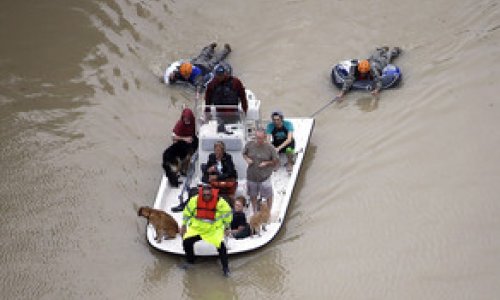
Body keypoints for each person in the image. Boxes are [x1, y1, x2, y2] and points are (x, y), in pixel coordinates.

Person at [180, 184, 233, 277]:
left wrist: (227, 227)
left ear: (212, 193)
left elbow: (227, 215)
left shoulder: (220, 202)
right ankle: (190, 261)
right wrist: (184, 225)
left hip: (213, 229)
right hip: (197, 228)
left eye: (208, 195)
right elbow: (187, 212)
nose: (206, 196)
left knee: (221, 246)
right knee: (186, 242)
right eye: (204, 195)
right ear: (201, 194)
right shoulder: (194, 200)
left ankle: (226, 268)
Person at [337, 46, 402, 99]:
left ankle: (395, 50)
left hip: (380, 63)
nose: (363, 74)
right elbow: (349, 80)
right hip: (371, 60)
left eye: (364, 73)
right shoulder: (354, 68)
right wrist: (342, 93)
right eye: (362, 72)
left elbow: (378, 80)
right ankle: (383, 49)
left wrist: (377, 90)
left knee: (388, 56)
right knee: (376, 54)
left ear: (368, 70)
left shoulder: (373, 69)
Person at [165, 42, 232, 89]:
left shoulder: (197, 78)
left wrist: (199, 88)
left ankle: (226, 50)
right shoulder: (182, 71)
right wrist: (171, 77)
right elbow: (175, 75)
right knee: (204, 55)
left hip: (206, 68)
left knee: (216, 59)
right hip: (198, 63)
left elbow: (200, 86)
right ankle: (211, 47)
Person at [242, 128, 279, 213]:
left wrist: (267, 163)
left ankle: (269, 211)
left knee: (268, 195)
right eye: (256, 137)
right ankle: (254, 210)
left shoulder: (270, 148)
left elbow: (276, 161)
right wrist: (247, 159)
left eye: (260, 138)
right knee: (253, 195)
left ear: (265, 137)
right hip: (251, 176)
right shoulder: (249, 144)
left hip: (265, 177)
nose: (258, 140)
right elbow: (244, 153)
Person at [162, 108, 198, 187]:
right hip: (176, 149)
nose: (186, 120)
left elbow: (193, 133)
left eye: (188, 118)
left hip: (183, 146)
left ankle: (182, 172)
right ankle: (179, 174)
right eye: (185, 118)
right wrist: (185, 138)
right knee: (179, 163)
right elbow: (173, 137)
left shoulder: (192, 122)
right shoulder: (180, 124)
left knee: (187, 157)